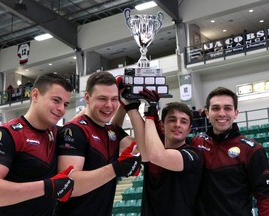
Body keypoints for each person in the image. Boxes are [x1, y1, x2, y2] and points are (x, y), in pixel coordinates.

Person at [0, 73, 75, 216]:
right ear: (35, 95)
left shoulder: (58, 134)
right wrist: (47, 187)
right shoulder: (6, 135)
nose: (62, 109)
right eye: (56, 100)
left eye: (66, 104)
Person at [56, 71, 141, 216]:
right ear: (87, 98)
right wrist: (115, 169)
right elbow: (68, 185)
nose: (109, 105)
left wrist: (130, 107)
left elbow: (143, 149)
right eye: (102, 98)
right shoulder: (74, 130)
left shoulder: (109, 130)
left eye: (114, 99)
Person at [116, 82, 203, 216]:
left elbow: (156, 156)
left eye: (183, 121)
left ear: (189, 129)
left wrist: (150, 114)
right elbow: (115, 134)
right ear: (163, 124)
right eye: (172, 120)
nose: (177, 125)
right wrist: (128, 104)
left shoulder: (193, 154)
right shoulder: (151, 149)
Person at [191, 87, 269, 216]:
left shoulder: (252, 150)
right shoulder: (196, 143)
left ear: (236, 113)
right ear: (207, 113)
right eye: (216, 108)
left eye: (227, 108)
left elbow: (265, 197)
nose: (222, 113)